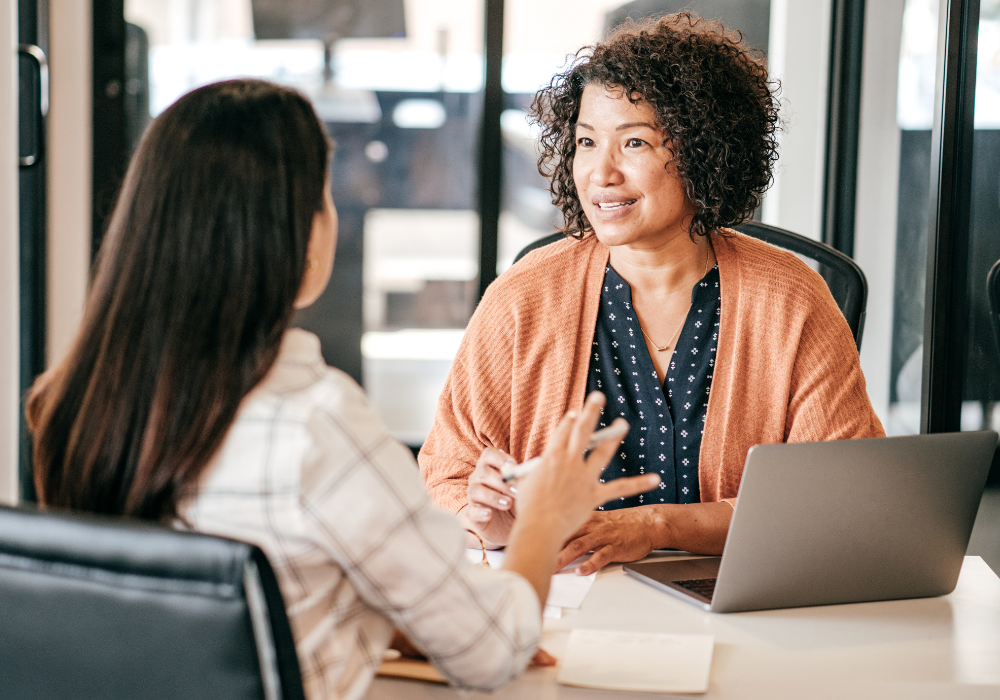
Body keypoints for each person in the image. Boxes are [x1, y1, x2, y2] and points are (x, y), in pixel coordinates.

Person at [25, 79, 658, 700]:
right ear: (294, 235)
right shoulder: (315, 424)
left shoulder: (73, 403)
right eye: (325, 197)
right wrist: (543, 520)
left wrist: (394, 617)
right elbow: (493, 651)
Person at [419, 13, 884, 575]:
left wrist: (659, 526)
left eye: (633, 141)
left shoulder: (789, 297)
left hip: (736, 598)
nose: (601, 173)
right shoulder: (523, 296)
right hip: (561, 594)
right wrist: (486, 519)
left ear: (702, 150)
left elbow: (837, 496)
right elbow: (447, 474)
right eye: (587, 142)